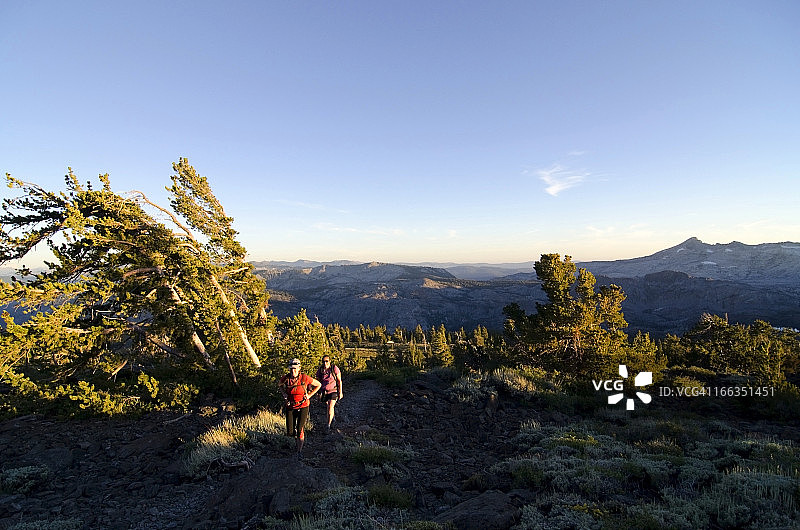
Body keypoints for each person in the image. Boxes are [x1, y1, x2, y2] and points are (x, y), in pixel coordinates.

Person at [279, 358, 321, 458]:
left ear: (299, 368)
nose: (293, 371)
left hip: (303, 405)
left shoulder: (304, 378)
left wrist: (309, 395)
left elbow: (318, 385)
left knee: (299, 429)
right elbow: (279, 385)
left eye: (295, 369)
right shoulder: (286, 378)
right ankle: (296, 444)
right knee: (290, 432)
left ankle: (299, 451)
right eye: (291, 369)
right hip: (290, 406)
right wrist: (284, 394)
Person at [315, 355, 343, 433]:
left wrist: (340, 392)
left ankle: (328, 425)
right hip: (324, 391)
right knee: (328, 406)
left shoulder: (334, 369)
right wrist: (318, 392)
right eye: (323, 361)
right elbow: (318, 381)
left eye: (327, 361)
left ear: (330, 361)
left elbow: (339, 381)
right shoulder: (320, 370)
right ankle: (332, 418)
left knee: (330, 406)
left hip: (333, 390)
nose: (325, 363)